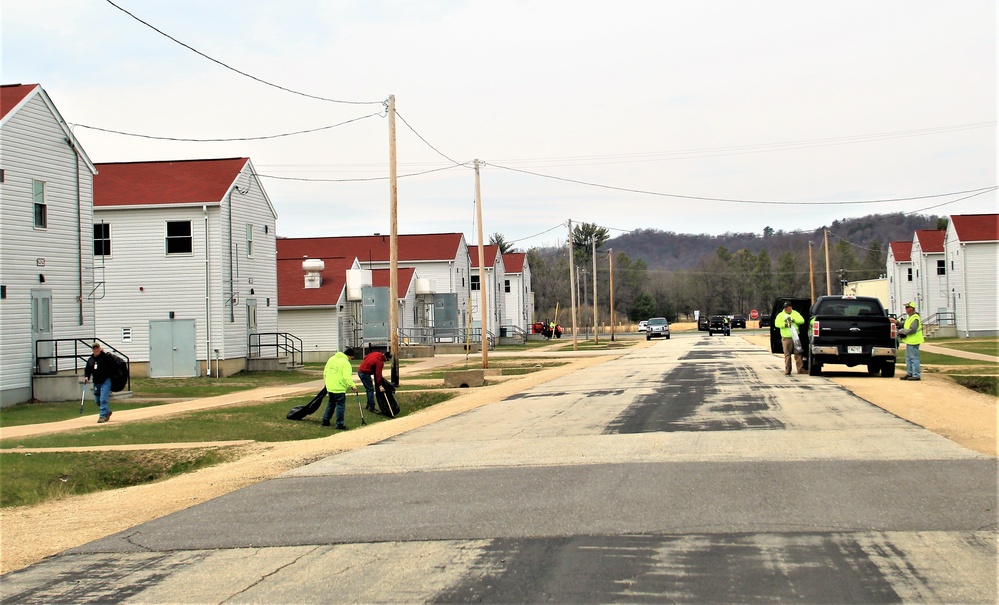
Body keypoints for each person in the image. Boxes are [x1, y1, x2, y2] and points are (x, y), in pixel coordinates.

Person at [322, 347, 358, 429]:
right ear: (349, 356)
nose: (351, 359)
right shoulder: (345, 363)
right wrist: (353, 386)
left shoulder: (331, 358)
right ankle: (339, 424)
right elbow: (347, 377)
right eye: (351, 357)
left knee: (331, 403)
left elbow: (325, 372)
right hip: (339, 387)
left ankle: (325, 419)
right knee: (340, 406)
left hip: (330, 386)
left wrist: (327, 383)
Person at [892, 301, 923, 381]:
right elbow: (904, 325)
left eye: (907, 307)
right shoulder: (909, 317)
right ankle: (910, 373)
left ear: (911, 308)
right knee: (908, 358)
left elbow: (913, 329)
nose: (906, 309)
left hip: (914, 341)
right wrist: (896, 322)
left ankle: (916, 375)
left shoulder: (915, 317)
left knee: (914, 358)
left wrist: (902, 331)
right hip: (910, 341)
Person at [84, 343, 114, 423]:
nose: (96, 350)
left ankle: (102, 416)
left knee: (103, 399)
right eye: (94, 348)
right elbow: (87, 370)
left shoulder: (105, 358)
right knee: (97, 400)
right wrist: (87, 376)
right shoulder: (91, 360)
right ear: (92, 350)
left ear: (100, 348)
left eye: (97, 348)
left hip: (105, 381)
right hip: (96, 382)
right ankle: (107, 412)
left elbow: (112, 367)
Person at [775, 302, 805, 375]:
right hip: (786, 338)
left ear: (791, 307)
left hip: (795, 337)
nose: (786, 308)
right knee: (787, 355)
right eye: (785, 307)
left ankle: (800, 369)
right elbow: (777, 324)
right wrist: (785, 324)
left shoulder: (795, 314)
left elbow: (802, 321)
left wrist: (794, 320)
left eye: (787, 307)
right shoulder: (781, 315)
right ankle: (788, 370)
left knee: (798, 353)